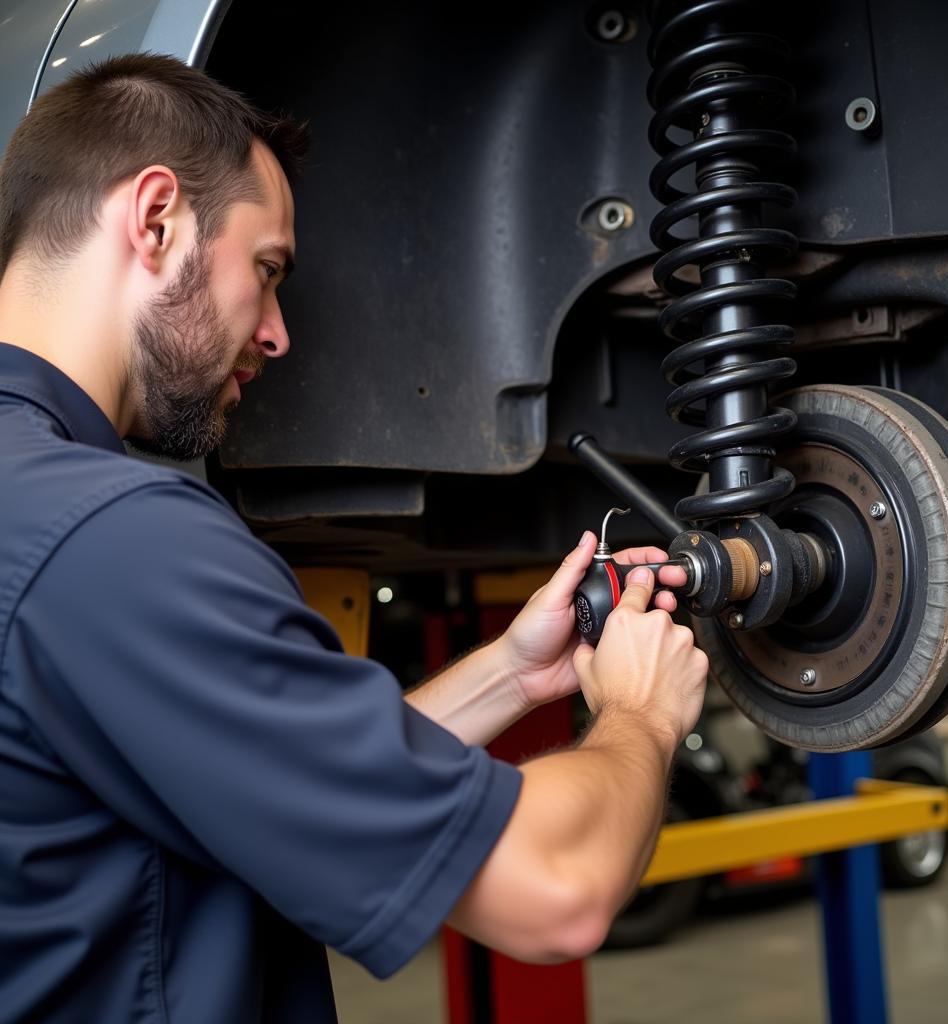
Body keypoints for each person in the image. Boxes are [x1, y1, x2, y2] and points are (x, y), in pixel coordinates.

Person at [0, 54, 708, 1022]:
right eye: (268, 269)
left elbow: (253, 766)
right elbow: (560, 885)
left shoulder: (37, 516)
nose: (281, 332)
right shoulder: (113, 541)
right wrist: (641, 713)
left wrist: (511, 672)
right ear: (155, 218)